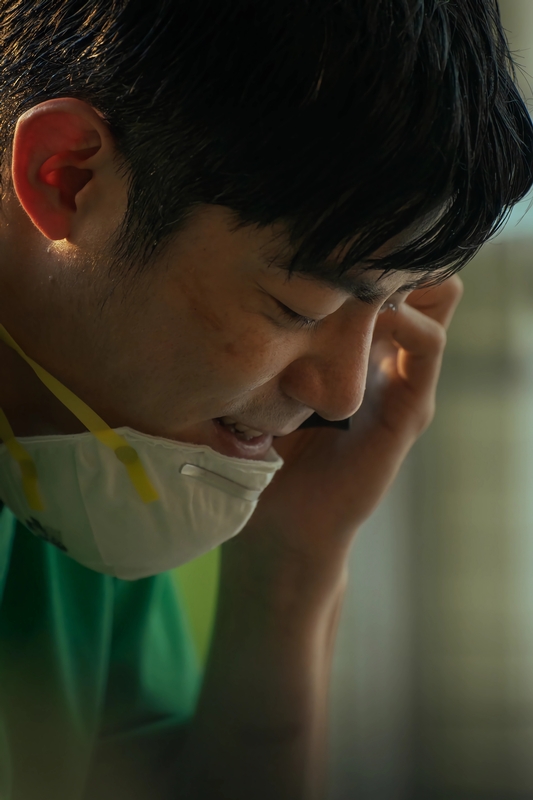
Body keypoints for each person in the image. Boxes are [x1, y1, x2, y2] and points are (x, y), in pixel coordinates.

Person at [0, 1, 531, 798]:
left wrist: (290, 566)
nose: (341, 396)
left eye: (391, 308)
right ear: (67, 176)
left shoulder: (85, 464)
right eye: (298, 309)